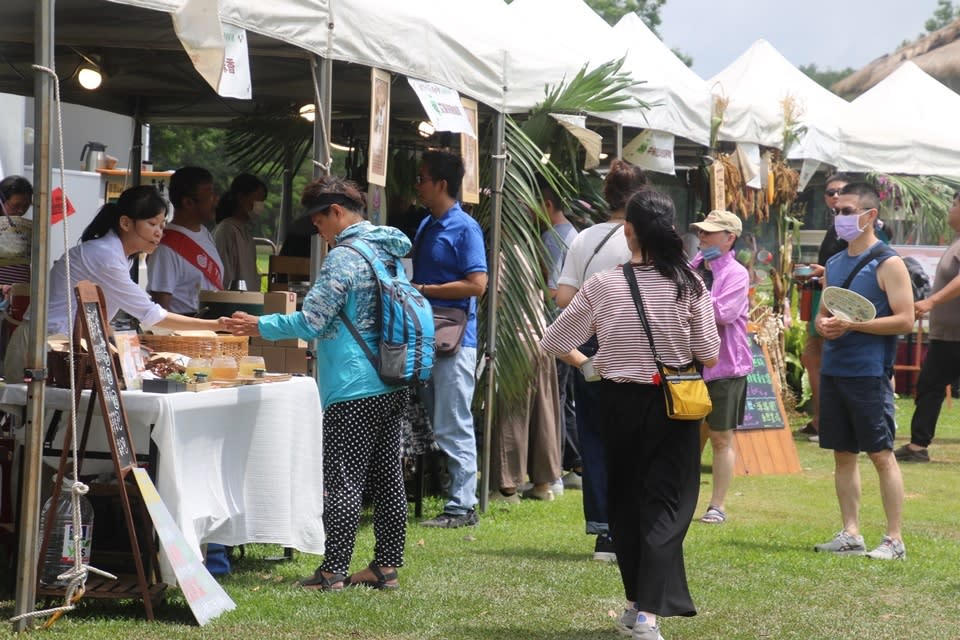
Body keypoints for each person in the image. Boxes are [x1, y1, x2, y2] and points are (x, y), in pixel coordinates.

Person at [541, 189, 720, 640]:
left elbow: (553, 341)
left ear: (629, 230)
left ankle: (637, 603)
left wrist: (588, 363)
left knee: (625, 503)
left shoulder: (603, 284)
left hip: (617, 403)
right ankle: (647, 616)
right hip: (674, 406)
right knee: (666, 505)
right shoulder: (689, 284)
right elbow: (710, 353)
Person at [224, 176, 411, 591]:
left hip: (353, 383)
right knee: (387, 478)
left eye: (318, 219)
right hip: (394, 377)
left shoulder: (345, 256)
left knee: (343, 477)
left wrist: (260, 323)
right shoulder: (388, 251)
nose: (316, 229)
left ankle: (333, 572)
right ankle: (386, 567)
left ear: (337, 212)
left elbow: (312, 320)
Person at [3, 186, 226, 377]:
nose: (159, 233)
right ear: (126, 223)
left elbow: (100, 317)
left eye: (162, 226)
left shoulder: (118, 256)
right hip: (43, 347)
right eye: (152, 223)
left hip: (61, 347)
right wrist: (217, 325)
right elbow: (152, 315)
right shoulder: (106, 256)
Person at [813, 182, 913, 561]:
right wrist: (823, 326)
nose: (839, 217)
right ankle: (851, 533)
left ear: (870, 216)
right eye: (837, 211)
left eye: (847, 211)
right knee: (842, 453)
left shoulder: (889, 262)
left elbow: (905, 319)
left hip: (869, 372)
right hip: (835, 369)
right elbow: (826, 313)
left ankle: (894, 539)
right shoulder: (835, 263)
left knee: (880, 453)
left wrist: (855, 327)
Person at [554, 159, 646, 561]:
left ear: (605, 197)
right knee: (637, 437)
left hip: (590, 347)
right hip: (638, 347)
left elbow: (563, 299)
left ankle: (604, 531)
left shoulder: (585, 238)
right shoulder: (647, 237)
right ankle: (635, 524)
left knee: (594, 438)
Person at [410, 150, 488, 529]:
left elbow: (478, 285)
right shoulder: (427, 225)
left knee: (454, 420)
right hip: (428, 336)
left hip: (456, 340)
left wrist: (425, 289)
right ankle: (456, 499)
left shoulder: (464, 228)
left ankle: (462, 506)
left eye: (423, 178)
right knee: (441, 422)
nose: (418, 185)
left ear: (442, 184)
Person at [689, 210, 752, 525]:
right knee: (688, 437)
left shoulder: (737, 273)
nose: (703, 237)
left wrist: (688, 301)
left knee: (720, 437)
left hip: (726, 367)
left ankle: (717, 505)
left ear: (730, 238)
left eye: (710, 232)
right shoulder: (693, 268)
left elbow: (723, 314)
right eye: (701, 232)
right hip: (689, 365)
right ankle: (681, 498)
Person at [895, 191, 960, 463]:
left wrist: (932, 301)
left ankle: (918, 445)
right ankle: (918, 444)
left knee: (930, 385)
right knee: (930, 385)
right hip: (948, 335)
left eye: (955, 204)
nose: (951, 209)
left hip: (955, 337)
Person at [797, 173, 850, 441]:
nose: (835, 197)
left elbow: (851, 265)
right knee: (811, 357)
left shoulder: (854, 228)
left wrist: (824, 272)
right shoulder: (835, 226)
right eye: (830, 193)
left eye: (841, 192)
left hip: (842, 304)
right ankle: (821, 418)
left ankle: (829, 421)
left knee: (828, 359)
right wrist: (819, 274)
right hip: (822, 298)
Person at [538, 176, 582, 490]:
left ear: (548, 205)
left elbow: (554, 290)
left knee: (556, 397)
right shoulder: (575, 235)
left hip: (558, 328)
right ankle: (573, 465)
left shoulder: (555, 238)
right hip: (572, 329)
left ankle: (557, 470)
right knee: (564, 398)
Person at [148, 166, 223, 314]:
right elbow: (160, 309)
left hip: (210, 326)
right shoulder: (165, 248)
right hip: (186, 329)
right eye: (210, 196)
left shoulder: (206, 233)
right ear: (188, 203)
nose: (216, 200)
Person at [214, 173, 267, 292]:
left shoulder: (245, 232)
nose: (260, 205)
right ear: (241, 197)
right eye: (258, 198)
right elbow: (225, 277)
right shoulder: (226, 230)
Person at [0, 175, 33, 289]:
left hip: (18, 294)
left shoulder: (25, 229)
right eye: (16, 206)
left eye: (26, 206)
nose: (20, 211)